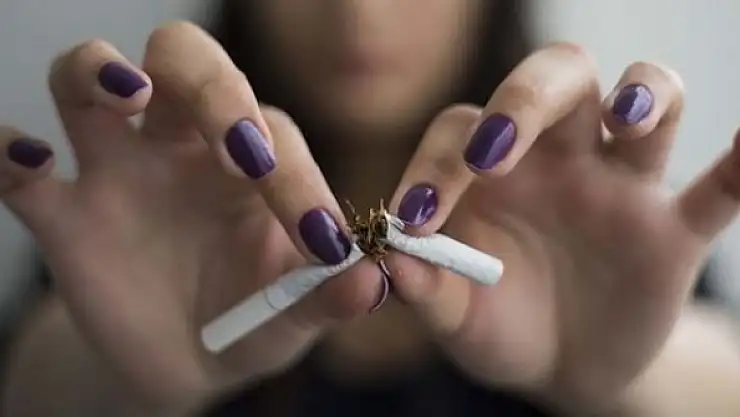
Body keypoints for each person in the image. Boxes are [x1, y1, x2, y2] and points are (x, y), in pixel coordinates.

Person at [0, 1, 739, 416]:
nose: (360, 14)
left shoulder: (591, 210)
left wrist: (634, 379)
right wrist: (115, 380)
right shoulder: (141, 204)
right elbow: (28, 382)